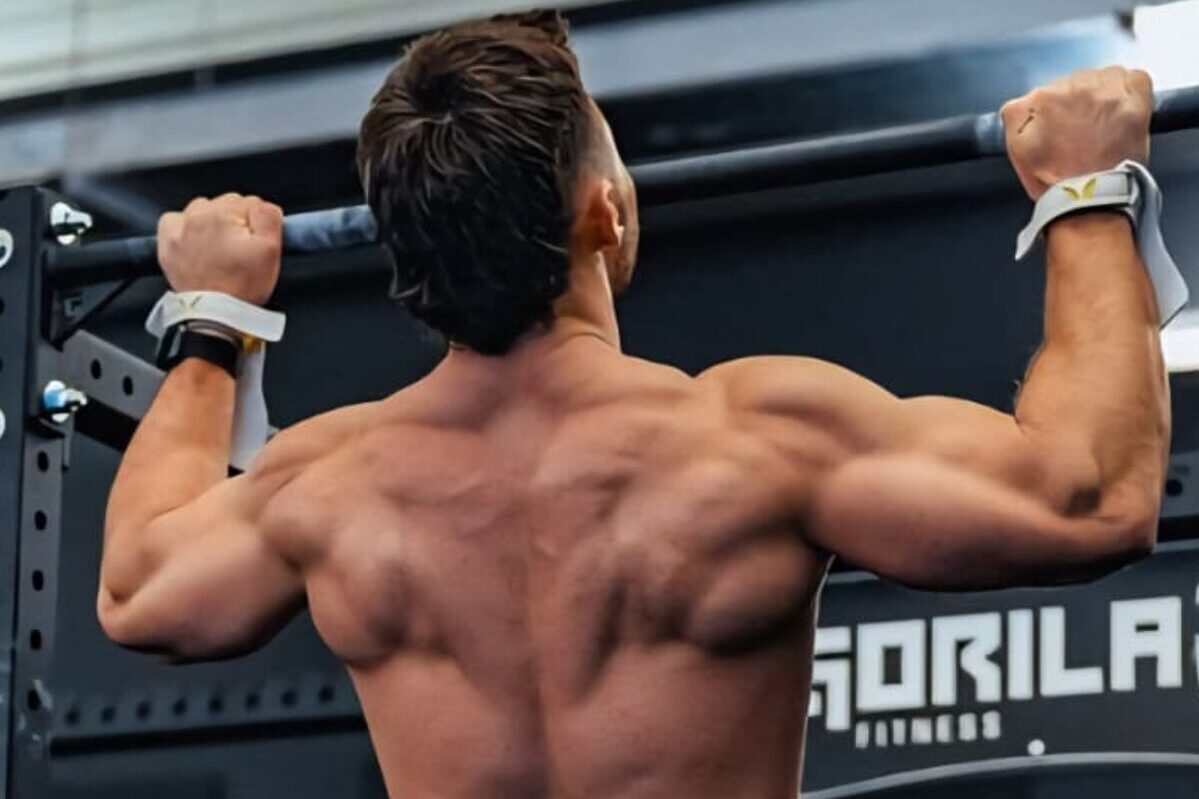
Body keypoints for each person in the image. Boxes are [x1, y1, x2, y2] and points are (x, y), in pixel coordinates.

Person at [97, 11, 1167, 799]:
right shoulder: (754, 437)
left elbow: (139, 590)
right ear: (604, 214)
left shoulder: (327, 484)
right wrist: (1084, 190)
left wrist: (211, 318)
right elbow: (1090, 497)